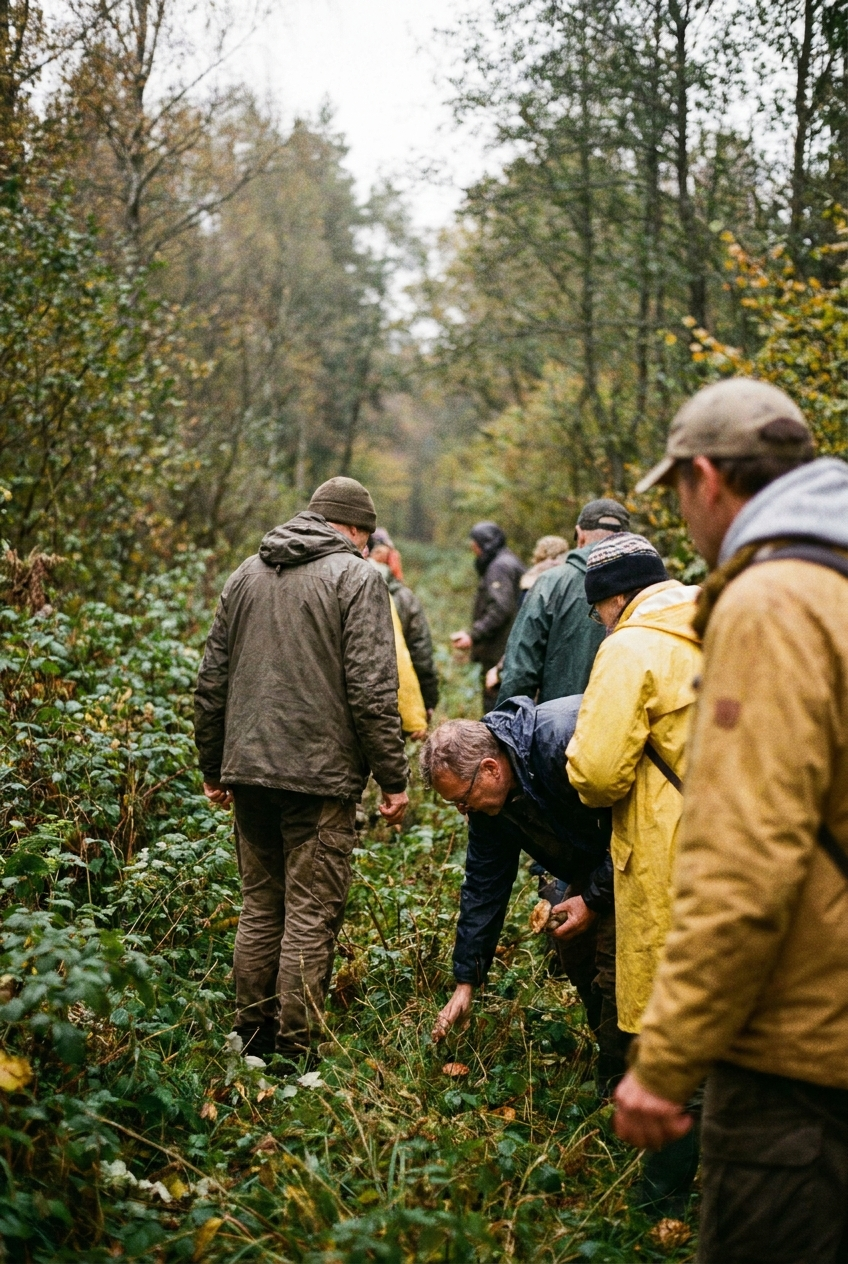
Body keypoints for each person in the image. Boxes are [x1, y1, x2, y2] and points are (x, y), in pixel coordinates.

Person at [613, 378, 848, 1262]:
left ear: (706, 478)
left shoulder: (771, 601)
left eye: (677, 489)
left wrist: (666, 1063)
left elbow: (745, 864)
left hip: (802, 1051)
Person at [193, 476, 409, 1066]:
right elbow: (372, 690)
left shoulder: (245, 575)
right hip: (320, 779)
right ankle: (295, 1055)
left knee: (261, 906)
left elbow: (211, 682)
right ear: (356, 530)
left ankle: (251, 1041)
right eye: (366, 538)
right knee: (311, 914)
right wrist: (393, 778)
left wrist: (213, 765)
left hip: (247, 771)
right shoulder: (358, 578)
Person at [566, 532, 702, 1212]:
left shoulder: (630, 648)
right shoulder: (721, 619)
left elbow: (595, 774)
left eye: (598, 609)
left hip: (669, 850)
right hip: (746, 838)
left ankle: (663, 1197)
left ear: (616, 598)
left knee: (672, 1010)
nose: (599, 620)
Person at [420, 698, 626, 1092]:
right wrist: (467, 981)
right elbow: (484, 883)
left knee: (615, 967)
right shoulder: (488, 805)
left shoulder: (561, 745)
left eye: (463, 798)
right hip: (599, 859)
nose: (463, 810)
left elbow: (637, 824)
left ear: (490, 769)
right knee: (575, 950)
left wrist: (592, 900)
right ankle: (616, 1055)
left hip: (646, 848)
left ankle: (621, 1091)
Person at [495, 499, 630, 707]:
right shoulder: (651, 586)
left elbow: (520, 672)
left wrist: (507, 721)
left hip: (560, 721)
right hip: (629, 720)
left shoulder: (550, 583)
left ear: (580, 535)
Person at [451, 522, 525, 713]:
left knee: (497, 710)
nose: (474, 551)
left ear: (486, 544)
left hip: (500, 651)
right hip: (509, 650)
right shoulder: (508, 561)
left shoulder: (500, 566)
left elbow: (501, 608)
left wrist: (473, 635)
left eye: (475, 546)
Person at [369, 534, 439, 717]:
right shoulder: (404, 598)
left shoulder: (341, 586)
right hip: (398, 701)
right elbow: (420, 650)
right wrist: (428, 699)